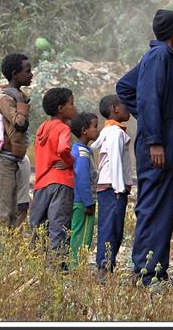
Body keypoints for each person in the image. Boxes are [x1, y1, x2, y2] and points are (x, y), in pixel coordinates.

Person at [115, 9, 173, 287]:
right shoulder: (159, 58)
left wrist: (148, 123)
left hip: (162, 142)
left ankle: (152, 270)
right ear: (172, 32)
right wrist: (154, 138)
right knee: (155, 207)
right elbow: (146, 99)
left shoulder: (160, 57)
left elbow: (125, 87)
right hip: (158, 146)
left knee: (159, 206)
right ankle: (148, 274)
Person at [30, 87, 77, 267]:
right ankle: (56, 268)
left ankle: (37, 265)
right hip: (61, 182)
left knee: (39, 225)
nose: (74, 108)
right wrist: (69, 161)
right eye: (71, 104)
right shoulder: (63, 128)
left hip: (41, 183)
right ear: (60, 108)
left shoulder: (43, 127)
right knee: (59, 226)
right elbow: (63, 149)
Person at [0, 53, 32, 230]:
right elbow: (20, 124)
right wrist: (21, 101)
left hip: (12, 161)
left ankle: (4, 254)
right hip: (3, 162)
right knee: (0, 214)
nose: (31, 75)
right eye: (27, 71)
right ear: (15, 74)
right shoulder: (6, 98)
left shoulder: (16, 95)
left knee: (11, 213)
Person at [93, 95, 134, 282]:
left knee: (108, 226)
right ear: (115, 108)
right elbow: (116, 161)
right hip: (113, 187)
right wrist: (120, 188)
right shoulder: (116, 133)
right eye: (125, 106)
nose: (129, 109)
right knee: (112, 228)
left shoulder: (108, 131)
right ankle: (104, 268)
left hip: (108, 186)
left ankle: (105, 266)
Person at [69, 111, 100, 270]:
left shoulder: (82, 150)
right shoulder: (82, 154)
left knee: (78, 232)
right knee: (82, 235)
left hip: (80, 201)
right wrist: (89, 203)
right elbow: (81, 180)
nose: (98, 130)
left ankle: (75, 264)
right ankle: (76, 266)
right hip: (82, 202)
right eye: (95, 126)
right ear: (84, 131)